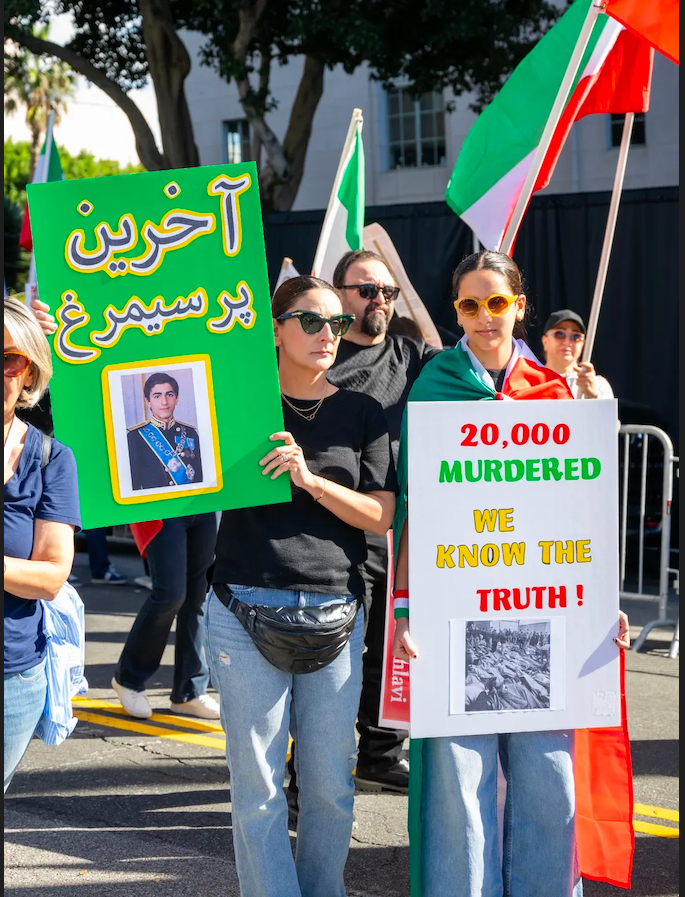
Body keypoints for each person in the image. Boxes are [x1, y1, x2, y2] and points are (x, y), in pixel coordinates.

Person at [392, 251, 631, 897]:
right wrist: (404, 607)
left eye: (495, 302)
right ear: (456, 311)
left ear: (518, 307)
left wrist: (601, 601)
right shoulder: (435, 383)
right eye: (469, 305)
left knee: (547, 782)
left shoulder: (554, 391)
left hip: (544, 615)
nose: (482, 317)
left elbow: (581, 512)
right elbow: (416, 506)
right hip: (455, 613)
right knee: (459, 792)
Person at [205, 275, 396, 897]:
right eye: (311, 321)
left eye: (337, 323)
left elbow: (379, 515)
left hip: (337, 611)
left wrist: (311, 480)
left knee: (329, 786)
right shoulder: (234, 402)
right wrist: (59, 342)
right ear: (275, 327)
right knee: (258, 787)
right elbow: (116, 421)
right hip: (242, 601)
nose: (327, 334)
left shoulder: (363, 410)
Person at [328, 249, 441, 792]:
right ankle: (314, 770)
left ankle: (378, 750)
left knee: (385, 642)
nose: (379, 301)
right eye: (366, 290)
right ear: (339, 295)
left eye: (387, 292)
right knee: (334, 654)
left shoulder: (412, 353)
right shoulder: (320, 353)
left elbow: (465, 369)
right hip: (333, 525)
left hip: (393, 529)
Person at [4, 297, 81, 792]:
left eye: (9, 359)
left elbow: (51, 576)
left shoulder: (51, 459)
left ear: (29, 373)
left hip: (13, 679)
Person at [110, 510, 220, 720]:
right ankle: (129, 678)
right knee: (170, 594)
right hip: (162, 500)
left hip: (207, 498)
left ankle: (190, 691)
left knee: (199, 597)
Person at [127, 373, 203, 490]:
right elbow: (133, 487)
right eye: (157, 396)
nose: (164, 402)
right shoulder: (135, 437)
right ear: (148, 401)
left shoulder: (191, 433)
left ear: (176, 399)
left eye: (170, 395)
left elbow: (202, 480)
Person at [541, 309, 614, 399]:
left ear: (583, 345)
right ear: (545, 342)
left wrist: (592, 395)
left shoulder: (598, 385)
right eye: (559, 334)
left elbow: (607, 413)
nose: (567, 342)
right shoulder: (529, 382)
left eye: (576, 336)